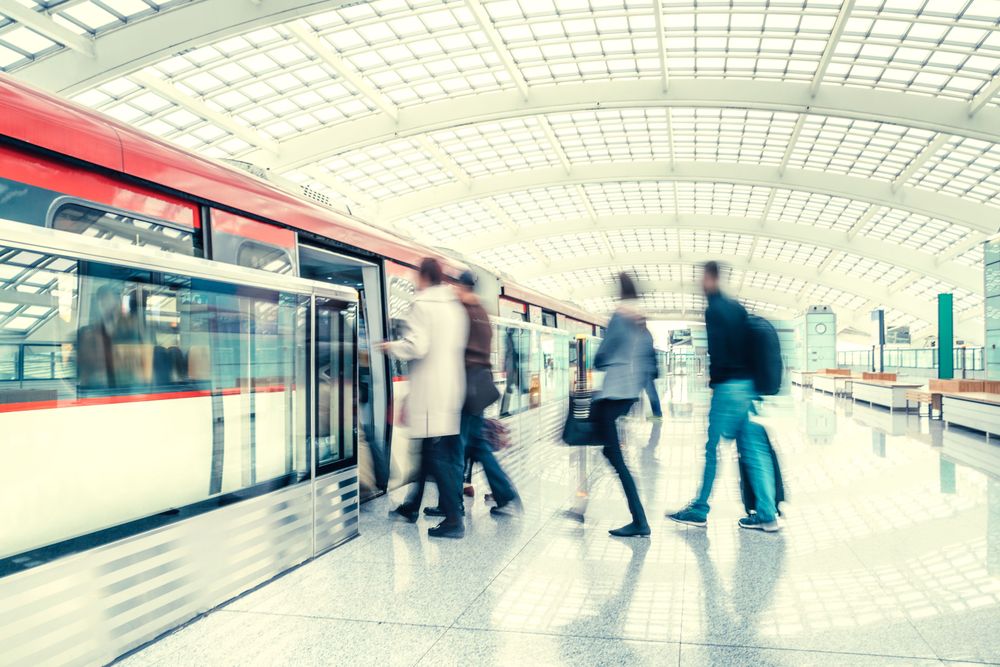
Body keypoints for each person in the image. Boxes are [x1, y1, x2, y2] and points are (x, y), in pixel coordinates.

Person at [667, 261, 780, 532]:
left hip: (728, 388)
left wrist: (714, 381)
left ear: (710, 278)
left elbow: (717, 353)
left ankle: (700, 508)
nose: (700, 284)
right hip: (748, 386)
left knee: (712, 449)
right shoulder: (738, 308)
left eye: (702, 278)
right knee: (754, 450)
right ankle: (767, 514)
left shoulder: (714, 310)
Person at [379, 258, 469, 539]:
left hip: (430, 391)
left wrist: (389, 346)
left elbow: (417, 346)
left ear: (424, 276)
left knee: (436, 455)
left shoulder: (422, 304)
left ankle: (454, 520)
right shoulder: (455, 308)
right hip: (451, 388)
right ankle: (411, 507)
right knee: (430, 453)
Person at [427, 271, 519, 518]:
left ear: (462, 287)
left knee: (453, 449)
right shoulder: (482, 312)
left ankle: (451, 507)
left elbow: (452, 350)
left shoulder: (464, 312)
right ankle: (505, 496)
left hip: (465, 387)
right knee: (478, 446)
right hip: (479, 386)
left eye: (455, 287)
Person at [591, 273, 654, 538]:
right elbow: (649, 364)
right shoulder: (643, 324)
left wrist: (600, 360)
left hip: (614, 393)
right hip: (628, 396)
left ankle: (639, 520)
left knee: (614, 456)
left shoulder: (620, 316)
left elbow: (603, 354)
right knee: (609, 451)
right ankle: (581, 505)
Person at [640, 324, 662, 419]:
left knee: (651, 393)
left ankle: (657, 414)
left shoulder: (643, 334)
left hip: (645, 370)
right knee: (651, 393)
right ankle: (657, 414)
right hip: (647, 369)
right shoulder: (645, 333)